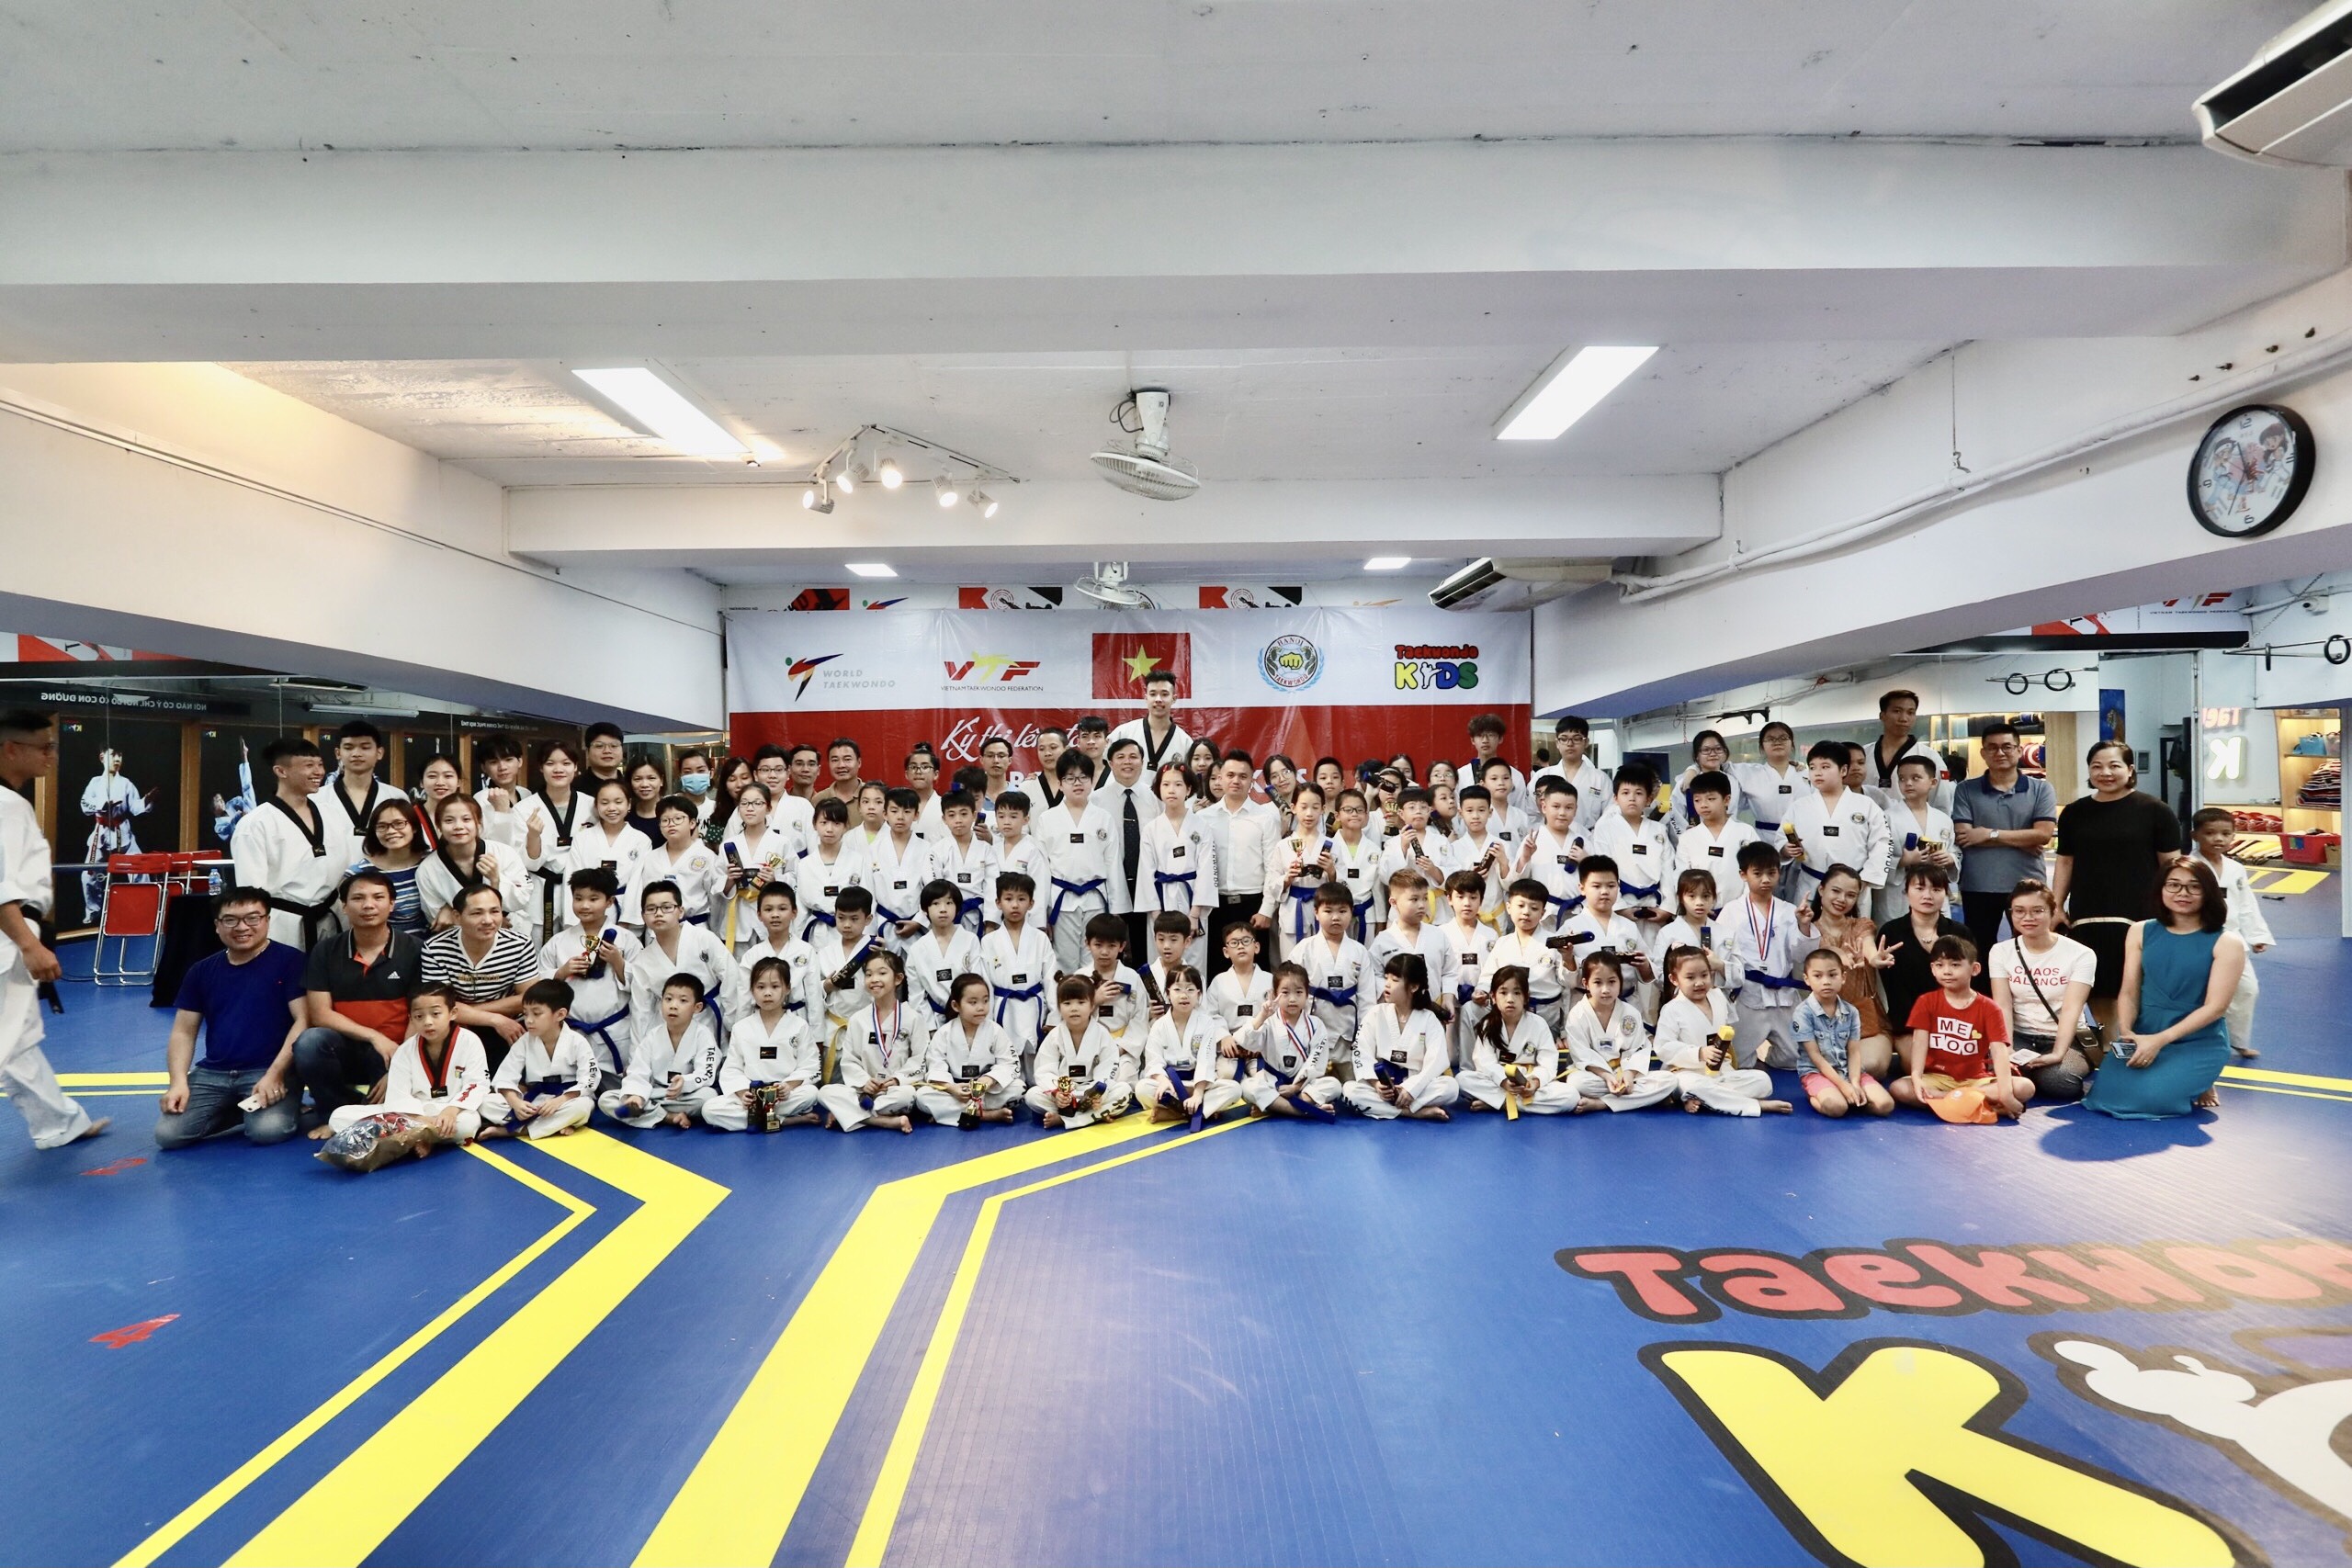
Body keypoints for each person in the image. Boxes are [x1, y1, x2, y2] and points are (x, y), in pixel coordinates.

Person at [2086, 858, 2245, 1121]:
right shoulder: (2140, 931)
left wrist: (2158, 1041)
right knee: (2106, 1095)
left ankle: (2202, 1078)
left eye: (2194, 886)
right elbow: (2129, 991)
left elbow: (2216, 1008)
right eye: (2174, 885)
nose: (2183, 893)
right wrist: (2127, 1032)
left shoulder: (2227, 942)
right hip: (2144, 1034)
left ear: (2209, 892)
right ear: (2161, 889)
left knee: (2150, 1098)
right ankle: (2191, 1080)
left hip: (2196, 1040)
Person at [154, 888, 308, 1147]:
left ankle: (277, 1107)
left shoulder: (292, 961)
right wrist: (178, 1083)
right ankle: (243, 1112)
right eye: (230, 920)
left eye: (252, 918)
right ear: (217, 926)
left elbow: (303, 1021)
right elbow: (183, 1031)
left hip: (267, 1070)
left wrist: (276, 1073)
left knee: (267, 1131)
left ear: (267, 920)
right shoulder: (201, 971)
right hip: (213, 1073)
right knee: (168, 1135)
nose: (242, 927)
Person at [2053, 739, 2185, 1027]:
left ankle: (2138, 1037)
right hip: (2089, 910)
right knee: (2097, 980)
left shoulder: (2156, 811)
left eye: (2114, 765)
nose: (2105, 773)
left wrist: (2175, 908)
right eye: (2097, 766)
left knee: (2138, 978)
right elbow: (2065, 862)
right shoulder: (2074, 813)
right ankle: (2110, 1040)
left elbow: (2172, 867)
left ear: (2130, 769)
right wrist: (2057, 905)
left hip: (2140, 910)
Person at [294, 871, 426, 1136]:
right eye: (358, 898)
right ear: (344, 906)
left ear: (392, 904)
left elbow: (421, 1015)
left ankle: (365, 1110)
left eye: (378, 897)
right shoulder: (325, 951)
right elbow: (320, 1014)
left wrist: (401, 1065)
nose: (368, 905)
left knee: (390, 1125)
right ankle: (336, 1114)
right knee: (309, 1043)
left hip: (395, 1051)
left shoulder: (416, 950)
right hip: (345, 1047)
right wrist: (374, 1036)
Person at [325, 984, 492, 1145]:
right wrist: (421, 1119)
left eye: (435, 1014)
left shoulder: (470, 1041)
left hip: (453, 1110)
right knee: (339, 1117)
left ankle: (413, 1137)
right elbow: (398, 1096)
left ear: (453, 1013)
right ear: (411, 1019)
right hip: (415, 1113)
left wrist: (452, 1110)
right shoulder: (405, 1050)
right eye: (419, 1017)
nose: (428, 1022)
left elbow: (476, 1084)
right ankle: (425, 1137)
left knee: (467, 1125)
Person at [1948, 721, 2059, 954]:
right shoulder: (1966, 790)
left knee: (2030, 947)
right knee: (1979, 949)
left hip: (2027, 884)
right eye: (1992, 747)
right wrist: (2022, 841)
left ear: (2019, 750)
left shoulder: (2041, 789)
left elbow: (2043, 834)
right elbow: (1965, 835)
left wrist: (1988, 834)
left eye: (2007, 747)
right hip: (1978, 885)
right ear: (1983, 753)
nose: (2000, 753)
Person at [234, 736, 354, 949]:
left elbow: (345, 870)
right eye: (309, 765)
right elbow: (250, 892)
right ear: (281, 771)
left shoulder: (332, 815)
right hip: (283, 926)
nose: (318, 772)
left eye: (320, 764)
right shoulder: (255, 824)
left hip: (332, 918)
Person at [1893, 935, 2030, 1121]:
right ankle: (1975, 1103)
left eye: (1955, 965)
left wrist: (2005, 1094)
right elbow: (1919, 1043)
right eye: (1940, 965)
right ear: (1932, 969)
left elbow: (1999, 1052)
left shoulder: (1989, 1008)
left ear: (1975, 969)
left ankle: (1953, 1100)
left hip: (1976, 1080)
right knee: (1900, 1089)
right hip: (1937, 1078)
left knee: (2025, 1087)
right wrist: (1916, 1077)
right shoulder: (1926, 1002)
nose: (1947, 971)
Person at [1986, 878, 2097, 1104]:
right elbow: (2002, 1005)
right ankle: (2028, 1075)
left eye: (2037, 911)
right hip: (2019, 1035)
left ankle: (2033, 1076)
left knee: (2060, 1081)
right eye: (2019, 911)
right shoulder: (2000, 951)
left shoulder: (2081, 954)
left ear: (2053, 912)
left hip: (2065, 1037)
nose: (2028, 918)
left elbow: (2072, 1008)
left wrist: (2058, 1053)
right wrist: (2007, 1048)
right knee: (1997, 1066)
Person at [1654, 945, 1791, 1116]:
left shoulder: (1718, 997)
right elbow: (1663, 1047)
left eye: (1704, 975)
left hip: (1720, 1072)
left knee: (1763, 1081)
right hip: (1686, 1073)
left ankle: (1704, 1098)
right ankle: (1755, 1105)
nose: (1699, 982)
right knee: (1694, 1086)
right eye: (1690, 977)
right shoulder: (1672, 1009)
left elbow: (1726, 1030)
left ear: (1711, 973)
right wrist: (1699, 1053)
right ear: (1674, 979)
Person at [420, 885, 537, 1071]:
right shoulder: (435, 948)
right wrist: (493, 1019)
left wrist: (469, 1011)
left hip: (509, 1024)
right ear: (457, 917)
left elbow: (529, 998)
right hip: (457, 1026)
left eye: (495, 911)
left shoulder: (520, 945)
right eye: (477, 913)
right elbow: (437, 1004)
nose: (488, 920)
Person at [1713, 841, 1809, 1070]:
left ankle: (1767, 1059)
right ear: (1743, 874)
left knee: (1795, 1059)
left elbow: (1801, 955)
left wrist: (1804, 925)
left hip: (1783, 994)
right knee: (1738, 1061)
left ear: (1779, 873)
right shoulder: (1731, 911)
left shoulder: (1789, 911)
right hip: (1747, 994)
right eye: (1757, 874)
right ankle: (1754, 1062)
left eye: (1771, 873)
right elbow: (1722, 954)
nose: (1765, 880)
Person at [539, 867, 638, 1086]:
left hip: (614, 1030)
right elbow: (538, 987)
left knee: (616, 1091)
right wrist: (561, 972)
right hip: (572, 1031)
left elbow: (642, 987)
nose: (584, 905)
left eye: (594, 899)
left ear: (610, 901)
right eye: (578, 898)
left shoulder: (627, 939)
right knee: (574, 1089)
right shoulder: (558, 942)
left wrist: (618, 962)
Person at [703, 957, 825, 1132]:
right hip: (753, 1095)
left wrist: (788, 1086)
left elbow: (810, 1066)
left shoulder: (799, 1025)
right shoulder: (741, 1028)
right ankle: (781, 1120)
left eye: (775, 986)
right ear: (752, 990)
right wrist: (742, 1093)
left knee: (811, 1094)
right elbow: (732, 1069)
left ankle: (758, 1118)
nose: (767, 993)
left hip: (782, 1095)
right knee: (709, 1110)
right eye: (761, 987)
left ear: (787, 988)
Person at [2188, 806, 2272, 1058]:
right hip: (2197, 938)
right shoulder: (2188, 866)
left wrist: (2256, 935)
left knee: (2247, 989)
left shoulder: (2236, 868)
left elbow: (2246, 904)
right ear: (2194, 835)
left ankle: (2238, 1040)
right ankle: (2196, 1041)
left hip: (2233, 939)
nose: (2218, 839)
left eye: (2226, 834)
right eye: (2210, 833)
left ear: (2234, 836)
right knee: (2199, 993)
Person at [601, 973, 726, 1130]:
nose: (673, 1005)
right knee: (606, 1099)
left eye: (683, 1001)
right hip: (654, 1092)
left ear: (697, 1007)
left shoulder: (703, 1035)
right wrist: (636, 1096)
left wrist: (685, 1082)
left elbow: (706, 1073)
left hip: (684, 1096)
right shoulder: (652, 1036)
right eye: (668, 999)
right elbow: (638, 1071)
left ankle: (650, 1113)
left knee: (708, 1097)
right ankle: (668, 1117)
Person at [1340, 953, 1456, 1120]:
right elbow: (1361, 1052)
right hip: (1384, 1086)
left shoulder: (1429, 1019)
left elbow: (1436, 1061)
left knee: (1450, 1087)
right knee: (1350, 1090)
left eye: (1395, 980)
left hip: (1415, 1084)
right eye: (1386, 978)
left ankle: (1392, 1108)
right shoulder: (1376, 1013)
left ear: (1414, 987)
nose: (1387, 984)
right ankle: (1412, 1112)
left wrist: (1411, 1089)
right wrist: (1376, 1084)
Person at [627, 880, 746, 1042]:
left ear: (680, 911)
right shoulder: (643, 960)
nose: (659, 913)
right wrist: (638, 1052)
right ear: (643, 916)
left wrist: (733, 1025)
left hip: (709, 1019)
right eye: (651, 909)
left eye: (667, 907)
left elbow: (731, 979)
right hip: (669, 1030)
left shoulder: (703, 938)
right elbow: (641, 1011)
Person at [480, 978, 598, 1140]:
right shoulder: (524, 1041)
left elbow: (590, 1079)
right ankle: (554, 1125)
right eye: (525, 1013)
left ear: (560, 1014)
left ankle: (515, 1130)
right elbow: (505, 1076)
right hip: (535, 1100)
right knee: (485, 1102)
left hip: (566, 1099)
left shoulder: (577, 1041)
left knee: (583, 1107)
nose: (528, 1020)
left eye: (536, 1014)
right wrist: (515, 1103)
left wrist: (561, 1100)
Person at [1811, 863, 1895, 1083]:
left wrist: (1875, 959)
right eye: (1836, 891)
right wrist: (1838, 953)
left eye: (1850, 895)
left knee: (1873, 1065)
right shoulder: (1807, 930)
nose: (1842, 899)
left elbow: (1868, 947)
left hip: (1866, 1019)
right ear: (1821, 889)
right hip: (1823, 1020)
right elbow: (1820, 948)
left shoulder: (1861, 925)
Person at [1199, 750, 1279, 978]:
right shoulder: (1204, 818)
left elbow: (1273, 868)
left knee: (1257, 973)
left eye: (1243, 776)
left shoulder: (1265, 818)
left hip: (1252, 906)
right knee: (1216, 972)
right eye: (1230, 775)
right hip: (1215, 906)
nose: (1236, 781)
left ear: (1252, 780)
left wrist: (1266, 910)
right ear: (1220, 778)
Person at [1035, 752, 1118, 973]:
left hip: (1096, 899)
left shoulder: (1103, 818)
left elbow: (1113, 866)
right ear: (1060, 783)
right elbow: (1042, 869)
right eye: (1070, 778)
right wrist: (1041, 914)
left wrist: (1116, 910)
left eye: (1083, 777)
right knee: (1064, 961)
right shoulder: (1047, 819)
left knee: (1096, 960)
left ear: (1092, 781)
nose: (1077, 783)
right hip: (1061, 901)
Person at [1560, 953, 1674, 1111]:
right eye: (1598, 982)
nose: (1605, 990)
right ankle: (1638, 1098)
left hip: (1624, 1072)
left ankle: (1601, 1103)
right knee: (1576, 1083)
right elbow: (1582, 1054)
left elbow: (1638, 1049)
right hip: (1596, 1075)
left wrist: (1629, 1075)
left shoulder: (1630, 1013)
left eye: (1612, 982)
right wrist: (1607, 1076)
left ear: (1620, 982)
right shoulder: (1577, 1014)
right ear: (1586, 983)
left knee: (1669, 1080)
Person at [1786, 740, 1893, 908]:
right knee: (1808, 925)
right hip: (1811, 884)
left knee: (1854, 926)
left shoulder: (1866, 805)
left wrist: (1866, 879)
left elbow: (1882, 843)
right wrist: (1786, 850)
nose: (1818, 773)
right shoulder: (1799, 807)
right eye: (1812, 767)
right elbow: (1782, 839)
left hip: (1853, 887)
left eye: (1825, 767)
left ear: (1843, 770)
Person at [1458, 965, 1578, 1115]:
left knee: (1571, 1096)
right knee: (1463, 1080)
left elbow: (1548, 1063)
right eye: (1503, 993)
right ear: (1493, 997)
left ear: (1526, 997)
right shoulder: (1488, 1025)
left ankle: (1499, 1103)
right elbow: (1485, 1063)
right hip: (1500, 1081)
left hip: (1528, 1080)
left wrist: (1535, 1082)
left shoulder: (1539, 1024)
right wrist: (1504, 1081)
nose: (1510, 999)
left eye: (1517, 993)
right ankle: (1512, 1102)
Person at [1789, 948, 1893, 1119]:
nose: (1826, 982)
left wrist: (1854, 1082)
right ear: (1807, 979)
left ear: (1843, 977)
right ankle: (1815, 1095)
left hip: (1848, 1070)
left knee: (1885, 1105)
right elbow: (1815, 1057)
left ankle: (1854, 1097)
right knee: (1837, 1108)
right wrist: (1843, 1086)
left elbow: (1854, 1052)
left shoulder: (1851, 1012)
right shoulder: (1802, 1013)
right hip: (1818, 1072)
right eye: (1818, 976)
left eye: (1832, 975)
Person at [416, 795, 534, 941]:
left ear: (478, 823)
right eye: (449, 820)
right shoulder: (427, 869)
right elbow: (439, 920)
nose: (458, 826)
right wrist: (488, 924)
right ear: (438, 826)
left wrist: (496, 880)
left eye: (466, 819)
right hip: (458, 941)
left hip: (511, 932)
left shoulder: (504, 852)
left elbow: (523, 898)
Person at [1137, 964, 1243, 1125]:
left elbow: (1205, 1061)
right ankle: (1202, 1110)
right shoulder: (1159, 1026)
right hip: (1172, 1085)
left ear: (1199, 994)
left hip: (1197, 1084)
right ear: (1168, 993)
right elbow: (1154, 1061)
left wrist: (1198, 1094)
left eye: (1190, 990)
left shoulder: (1206, 1023)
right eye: (1177, 989)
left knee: (1234, 1089)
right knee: (1142, 1088)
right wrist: (1163, 1081)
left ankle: (1176, 1112)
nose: (1184, 995)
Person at [1233, 963, 1340, 1119]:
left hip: (1303, 1086)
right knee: (1248, 1087)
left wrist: (1295, 1088)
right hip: (1273, 1083)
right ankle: (1305, 1111)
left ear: (1307, 994)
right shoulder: (1268, 1021)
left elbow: (1317, 1063)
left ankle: (1276, 1107)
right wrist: (1262, 1016)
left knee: (1334, 1085)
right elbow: (1243, 1040)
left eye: (1299, 992)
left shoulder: (1316, 1025)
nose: (1292, 999)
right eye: (1285, 992)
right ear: (1274, 994)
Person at [915, 973, 1024, 1126]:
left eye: (985, 1001)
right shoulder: (944, 1033)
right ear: (956, 1006)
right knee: (922, 1096)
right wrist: (951, 1088)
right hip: (956, 1091)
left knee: (1019, 1088)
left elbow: (1009, 1063)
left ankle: (952, 1113)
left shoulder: (995, 1031)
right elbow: (935, 1066)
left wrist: (989, 1080)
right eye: (973, 1002)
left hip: (986, 1091)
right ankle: (985, 1115)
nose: (981, 1007)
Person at [1135, 761, 1215, 970]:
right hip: (1161, 901)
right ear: (1158, 789)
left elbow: (1206, 872)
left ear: (1188, 789)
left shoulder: (1202, 826)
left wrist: (1195, 914)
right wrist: (1156, 917)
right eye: (1166, 784)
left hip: (1191, 900)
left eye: (1178, 785)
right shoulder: (1151, 829)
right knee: (1161, 962)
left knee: (1193, 964)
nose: (1171, 790)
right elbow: (1146, 874)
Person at [1025, 974, 1134, 1129]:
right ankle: (1093, 1116)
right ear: (1059, 1007)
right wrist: (1057, 1094)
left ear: (1092, 1005)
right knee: (1032, 1096)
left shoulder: (1101, 1034)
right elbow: (1044, 1069)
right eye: (1067, 1003)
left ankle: (1066, 1119)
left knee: (1124, 1091)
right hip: (1065, 1095)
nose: (1074, 1008)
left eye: (1081, 1002)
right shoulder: (1055, 1036)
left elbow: (1109, 1066)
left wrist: (1099, 1095)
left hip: (1091, 1092)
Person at [1879, 863, 1973, 1028]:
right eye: (1920, 888)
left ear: (1946, 894)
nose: (1927, 895)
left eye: (1936, 889)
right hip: (1906, 1023)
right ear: (1906, 892)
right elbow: (1894, 991)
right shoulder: (1892, 932)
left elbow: (1972, 983)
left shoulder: (1960, 933)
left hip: (1955, 1022)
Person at [1877, 753, 1962, 924]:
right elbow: (1876, 857)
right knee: (1896, 935)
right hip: (1899, 893)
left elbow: (1953, 850)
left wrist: (1950, 859)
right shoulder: (1886, 817)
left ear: (1933, 782)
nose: (1908, 783)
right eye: (1902, 779)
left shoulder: (1943, 819)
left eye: (1915, 778)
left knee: (1937, 935)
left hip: (1933, 889)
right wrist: (1903, 861)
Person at [520, 739, 593, 936]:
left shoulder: (592, 806)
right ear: (541, 768)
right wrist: (533, 836)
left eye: (566, 763)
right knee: (540, 947)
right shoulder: (524, 808)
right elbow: (529, 863)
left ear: (576, 767)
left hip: (582, 891)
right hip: (542, 889)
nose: (558, 769)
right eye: (550, 763)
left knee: (578, 947)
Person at [1096, 739, 1159, 961]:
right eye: (1120, 757)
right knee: (1112, 947)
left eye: (1133, 757)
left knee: (1147, 948)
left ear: (1142, 761)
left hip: (1148, 882)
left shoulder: (1156, 797)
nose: (1127, 762)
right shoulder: (1096, 800)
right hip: (1112, 883)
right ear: (1110, 763)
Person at [979, 871, 1055, 1056]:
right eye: (1008, 899)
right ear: (998, 903)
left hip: (1034, 1008)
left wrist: (1054, 1016)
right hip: (1003, 1009)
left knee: (1036, 1063)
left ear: (1031, 903)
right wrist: (987, 1020)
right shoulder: (989, 941)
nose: (1015, 905)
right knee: (1005, 1060)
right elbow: (985, 983)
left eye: (1021, 899)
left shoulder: (1040, 938)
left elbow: (1051, 979)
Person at [1297, 883, 1374, 1062]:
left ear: (1351, 912)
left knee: (1352, 1077)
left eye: (1342, 911)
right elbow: (1293, 989)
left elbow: (1367, 998)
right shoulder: (1304, 949)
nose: (1335, 917)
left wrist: (1364, 1035)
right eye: (1328, 911)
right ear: (1316, 913)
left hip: (1349, 1032)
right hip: (1313, 1027)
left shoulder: (1359, 951)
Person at [632, 794, 727, 930]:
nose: (671, 824)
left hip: (695, 927)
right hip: (657, 929)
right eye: (665, 820)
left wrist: (715, 930)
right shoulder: (650, 858)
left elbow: (716, 900)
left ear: (692, 823)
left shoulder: (707, 857)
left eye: (678, 819)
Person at [570, 777, 654, 926]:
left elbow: (637, 883)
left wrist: (627, 920)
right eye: (604, 803)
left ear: (629, 804)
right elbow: (572, 878)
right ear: (596, 805)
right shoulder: (582, 838)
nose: (612, 808)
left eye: (618, 802)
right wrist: (574, 919)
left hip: (624, 909)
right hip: (587, 910)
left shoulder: (641, 840)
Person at [1490, 878, 1568, 1032]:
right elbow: (1489, 977)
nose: (1526, 912)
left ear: (1542, 913)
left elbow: (1566, 983)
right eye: (1520, 906)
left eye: (1534, 908)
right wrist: (1481, 990)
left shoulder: (1553, 943)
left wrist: (1568, 958)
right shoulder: (1502, 943)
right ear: (1508, 907)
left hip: (1546, 1015)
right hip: (1509, 1014)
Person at [1676, 769, 1758, 913]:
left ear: (1726, 800)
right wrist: (1695, 905)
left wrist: (1741, 906)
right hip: (1699, 911)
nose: (1703, 805)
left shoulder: (1746, 832)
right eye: (1697, 800)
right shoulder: (1687, 838)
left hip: (1740, 910)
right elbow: (1682, 876)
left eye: (1711, 799)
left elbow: (1755, 872)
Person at [905, 879, 983, 1026]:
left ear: (957, 908)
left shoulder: (970, 940)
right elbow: (916, 996)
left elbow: (978, 983)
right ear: (925, 909)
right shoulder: (917, 949)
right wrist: (930, 1028)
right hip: (934, 1020)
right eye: (936, 903)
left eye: (949, 903)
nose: (943, 909)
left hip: (968, 1017)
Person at [793, 795, 867, 942]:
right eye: (824, 822)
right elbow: (800, 909)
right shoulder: (805, 864)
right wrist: (799, 942)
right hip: (816, 934)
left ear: (846, 826)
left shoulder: (858, 861)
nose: (829, 829)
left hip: (851, 930)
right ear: (814, 824)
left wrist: (866, 938)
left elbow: (867, 902)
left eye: (836, 823)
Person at [1729, 720, 1813, 852]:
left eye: (1783, 738)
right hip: (1765, 839)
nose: (1777, 742)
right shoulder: (1749, 773)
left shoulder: (1807, 774)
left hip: (1804, 837)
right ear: (1762, 747)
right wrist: (1694, 769)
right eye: (1770, 739)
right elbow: (1717, 765)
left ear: (1792, 744)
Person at [352, 797, 429, 937]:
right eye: (382, 826)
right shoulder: (360, 872)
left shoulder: (431, 863)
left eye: (399, 824)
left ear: (414, 827)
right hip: (384, 943)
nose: (391, 831)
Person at [930, 790, 999, 938]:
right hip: (948, 917)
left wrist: (990, 924)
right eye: (952, 815)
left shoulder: (986, 849)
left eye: (963, 814)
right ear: (944, 819)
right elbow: (935, 888)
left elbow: (992, 887)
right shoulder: (937, 850)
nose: (958, 820)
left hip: (979, 917)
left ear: (974, 815)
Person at [1865, 690, 1951, 807]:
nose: (1904, 718)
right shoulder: (1863, 755)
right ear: (1882, 715)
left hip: (1913, 818)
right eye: (1897, 711)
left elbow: (1941, 803)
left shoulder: (1929, 756)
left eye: (1910, 713)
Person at [315, 719, 399, 838]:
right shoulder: (317, 798)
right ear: (338, 753)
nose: (356, 754)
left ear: (379, 753)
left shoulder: (396, 797)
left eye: (365, 748)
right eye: (349, 748)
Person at [1531, 715, 1608, 831]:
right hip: (1549, 837)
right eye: (1564, 739)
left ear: (1586, 742)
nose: (1570, 744)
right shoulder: (1542, 776)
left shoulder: (1600, 779)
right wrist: (1546, 835)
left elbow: (1609, 815)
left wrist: (1592, 837)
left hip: (1589, 837)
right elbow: (1531, 813)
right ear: (1557, 743)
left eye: (1576, 739)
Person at [1108, 668, 1193, 773]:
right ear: (1146, 698)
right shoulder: (1123, 733)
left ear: (1174, 699)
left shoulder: (1185, 742)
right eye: (1153, 694)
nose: (1158, 699)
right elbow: (1102, 766)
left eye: (1164, 694)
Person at [1668, 731, 1747, 837]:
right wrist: (1687, 837)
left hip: (1728, 836)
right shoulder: (1687, 782)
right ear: (1697, 755)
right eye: (1706, 750)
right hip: (1695, 838)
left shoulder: (1733, 781)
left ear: (1725, 752)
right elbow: (1675, 814)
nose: (1713, 754)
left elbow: (1735, 810)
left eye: (1718, 749)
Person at [1204, 918, 1272, 1038]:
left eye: (1246, 941)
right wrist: (1223, 1036)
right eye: (1234, 943)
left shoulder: (1270, 980)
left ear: (1256, 947)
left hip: (1263, 1041)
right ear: (1226, 952)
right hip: (1229, 1043)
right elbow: (1210, 1014)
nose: (1240, 946)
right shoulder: (1219, 981)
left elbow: (1278, 1015)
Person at [1464, 713, 1532, 818]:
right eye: (1480, 736)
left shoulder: (1515, 776)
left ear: (1500, 739)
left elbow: (1520, 811)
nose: (1485, 741)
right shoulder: (1462, 775)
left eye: (1491, 735)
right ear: (1473, 740)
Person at [410, 753, 466, 852]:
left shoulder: (469, 813)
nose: (440, 782)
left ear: (459, 782)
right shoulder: (409, 815)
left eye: (448, 776)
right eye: (432, 776)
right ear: (421, 782)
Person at [818, 737, 866, 808]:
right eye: (835, 760)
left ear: (859, 762)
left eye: (847, 759)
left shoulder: (874, 795)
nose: (841, 765)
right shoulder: (819, 799)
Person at [582, 722, 628, 789]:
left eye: (614, 746)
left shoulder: (632, 787)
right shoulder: (572, 789)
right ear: (587, 752)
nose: (607, 751)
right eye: (599, 746)